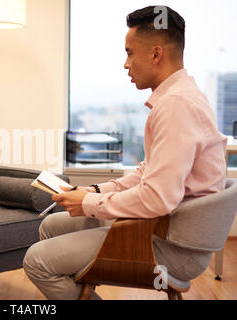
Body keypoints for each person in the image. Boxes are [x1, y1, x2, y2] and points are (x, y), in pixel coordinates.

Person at [23, 6, 228, 300]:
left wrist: (91, 202)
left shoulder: (176, 107)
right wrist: (92, 190)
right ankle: (84, 277)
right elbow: (147, 174)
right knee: (52, 225)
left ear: (156, 54)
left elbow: (158, 198)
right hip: (166, 228)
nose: (125, 64)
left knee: (36, 261)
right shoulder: (179, 97)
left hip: (171, 244)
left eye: (130, 53)